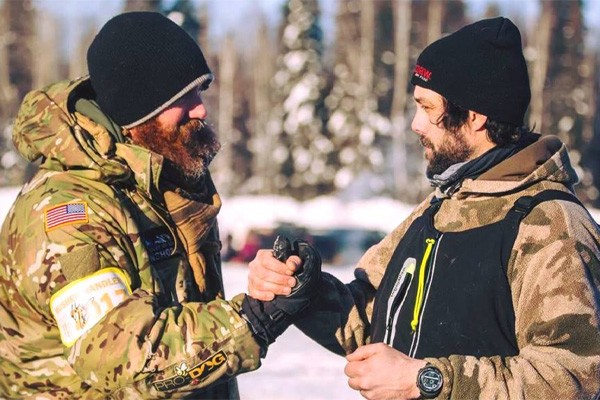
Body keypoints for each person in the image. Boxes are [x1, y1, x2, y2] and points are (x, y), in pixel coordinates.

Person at [248, 17, 600, 400]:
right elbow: (369, 322)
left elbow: (574, 376)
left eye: (426, 107)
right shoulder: (438, 210)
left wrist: (427, 380)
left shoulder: (550, 224)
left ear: (475, 116)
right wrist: (301, 288)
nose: (416, 124)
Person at [0, 12, 320, 399]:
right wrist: (251, 320)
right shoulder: (68, 212)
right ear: (137, 107)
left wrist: (273, 286)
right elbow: (119, 355)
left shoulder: (158, 182)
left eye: (200, 91)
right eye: (182, 95)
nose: (200, 109)